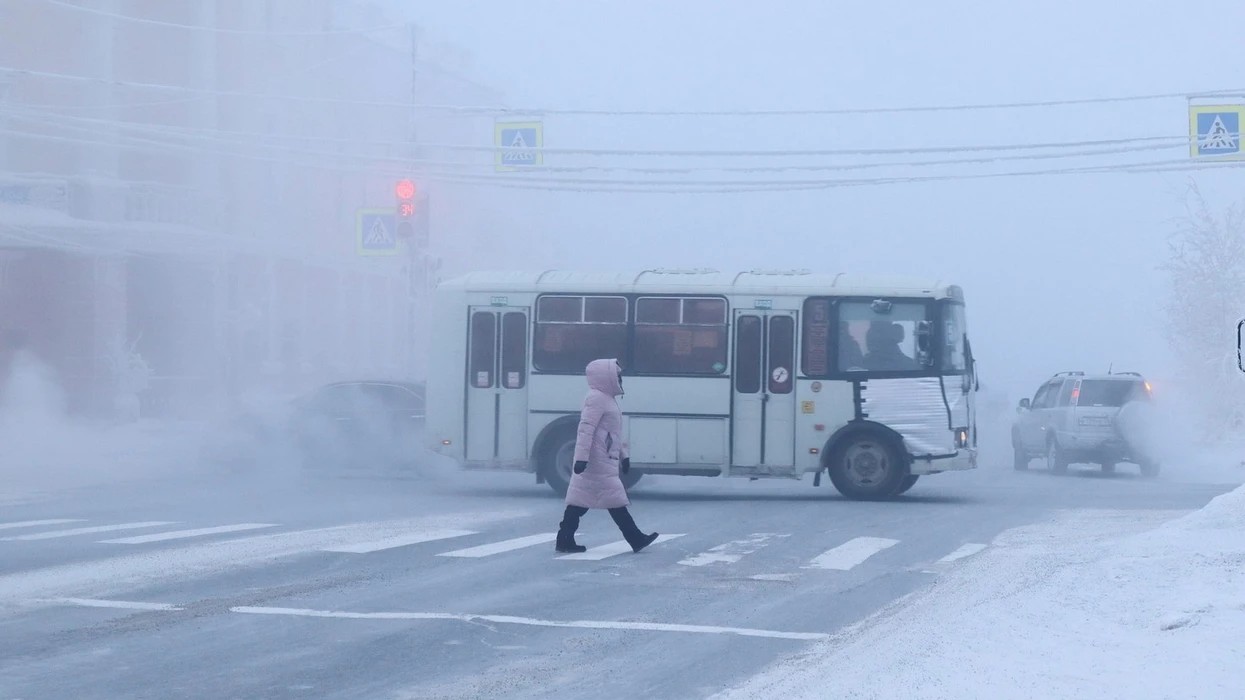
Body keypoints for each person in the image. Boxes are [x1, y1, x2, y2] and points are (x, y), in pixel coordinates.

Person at [555, 358, 659, 554]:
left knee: (581, 501)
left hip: (602, 459)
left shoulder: (605, 398)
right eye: (617, 375)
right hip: (596, 461)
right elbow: (586, 429)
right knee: (613, 500)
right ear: (606, 376)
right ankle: (635, 538)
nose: (620, 379)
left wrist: (624, 455)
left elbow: (611, 433)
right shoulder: (596, 398)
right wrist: (581, 459)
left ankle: (564, 539)